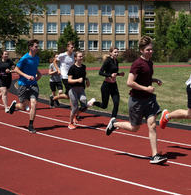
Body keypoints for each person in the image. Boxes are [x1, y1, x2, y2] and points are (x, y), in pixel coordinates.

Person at [105, 36, 167, 165]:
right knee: (134, 128)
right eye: (148, 50)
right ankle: (114, 124)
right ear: (141, 50)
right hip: (137, 101)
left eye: (151, 49)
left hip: (149, 100)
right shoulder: (137, 64)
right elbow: (129, 82)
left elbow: (145, 78)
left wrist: (155, 80)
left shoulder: (150, 62)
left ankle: (155, 155)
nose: (150, 52)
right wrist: (146, 88)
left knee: (152, 125)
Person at [9, 39, 42, 133]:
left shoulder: (37, 58)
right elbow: (16, 69)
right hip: (23, 85)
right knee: (23, 106)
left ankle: (30, 125)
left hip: (33, 85)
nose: (37, 48)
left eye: (37, 46)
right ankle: (15, 106)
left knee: (34, 104)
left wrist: (39, 74)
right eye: (36, 46)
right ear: (30, 47)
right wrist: (26, 76)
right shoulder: (24, 58)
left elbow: (34, 68)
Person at [94, 47, 125, 118]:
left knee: (116, 103)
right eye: (115, 52)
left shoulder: (116, 61)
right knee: (104, 106)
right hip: (106, 86)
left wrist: (119, 74)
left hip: (114, 85)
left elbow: (114, 73)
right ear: (110, 53)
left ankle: (112, 122)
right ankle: (93, 103)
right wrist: (110, 75)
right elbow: (100, 72)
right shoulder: (108, 61)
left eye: (117, 52)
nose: (117, 54)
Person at [67, 51, 90, 130]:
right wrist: (77, 80)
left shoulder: (83, 67)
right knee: (74, 107)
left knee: (84, 104)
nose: (81, 58)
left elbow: (84, 76)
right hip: (73, 90)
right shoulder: (72, 68)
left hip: (81, 89)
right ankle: (70, 123)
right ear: (75, 58)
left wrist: (87, 80)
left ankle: (76, 115)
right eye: (80, 56)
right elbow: (69, 80)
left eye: (82, 56)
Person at [50, 41, 75, 106]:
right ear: (67, 47)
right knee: (72, 93)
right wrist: (58, 69)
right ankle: (74, 111)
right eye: (71, 47)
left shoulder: (73, 55)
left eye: (73, 47)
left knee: (68, 95)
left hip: (71, 76)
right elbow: (54, 62)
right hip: (64, 76)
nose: (73, 48)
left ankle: (54, 98)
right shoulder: (62, 55)